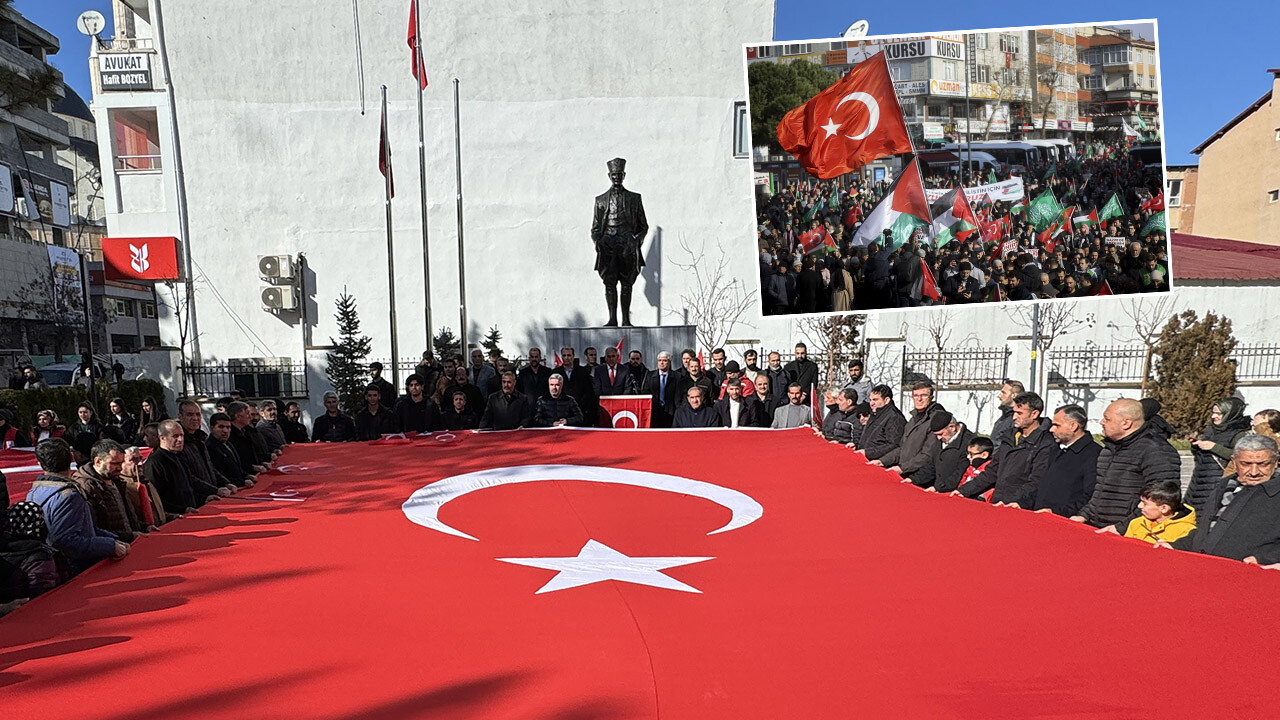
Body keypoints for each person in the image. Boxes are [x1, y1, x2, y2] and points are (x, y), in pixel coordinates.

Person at [1169, 434, 1280, 565]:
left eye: (1263, 464)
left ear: (1276, 461)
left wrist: (1265, 558)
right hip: (1210, 571)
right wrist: (1176, 546)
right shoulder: (1224, 486)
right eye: (1246, 464)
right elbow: (1208, 530)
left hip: (1251, 575)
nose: (1254, 472)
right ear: (1233, 461)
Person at [25, 438, 129, 575]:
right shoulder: (68, 496)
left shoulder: (34, 492)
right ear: (71, 457)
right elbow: (67, 541)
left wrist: (113, 539)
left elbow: (84, 527)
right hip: (75, 570)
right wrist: (111, 546)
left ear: (40, 464)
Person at [1073, 398, 1181, 528]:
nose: (1102, 422)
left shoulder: (1156, 450)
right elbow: (1101, 492)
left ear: (1126, 423)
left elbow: (1161, 500)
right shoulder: (1109, 449)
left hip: (1132, 532)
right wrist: (1084, 515)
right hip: (1100, 528)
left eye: (1107, 419)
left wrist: (1122, 528)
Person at [962, 392, 1056, 506]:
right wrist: (963, 491)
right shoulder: (1009, 437)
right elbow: (992, 471)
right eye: (1014, 412)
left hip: (1019, 507)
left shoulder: (1046, 443)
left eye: (1019, 413)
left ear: (1034, 414)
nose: (1014, 417)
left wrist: (1011, 502)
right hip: (998, 503)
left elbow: (1036, 482)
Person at [591, 156, 648, 327]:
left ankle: (625, 319)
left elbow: (643, 225)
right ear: (610, 176)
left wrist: (636, 240)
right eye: (614, 175)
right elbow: (595, 227)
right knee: (609, 282)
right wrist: (599, 242)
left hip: (627, 246)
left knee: (626, 283)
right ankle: (612, 318)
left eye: (619, 174)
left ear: (624, 175)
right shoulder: (600, 200)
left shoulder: (634, 198)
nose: (616, 177)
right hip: (608, 245)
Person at [1184, 397, 1252, 518]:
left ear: (1230, 414)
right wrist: (1197, 445)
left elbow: (1240, 457)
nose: (1213, 416)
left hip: (1218, 483)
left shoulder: (1240, 434)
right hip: (1198, 483)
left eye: (1219, 413)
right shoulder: (1211, 430)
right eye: (1213, 412)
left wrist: (1214, 447)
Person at [146, 419, 229, 516]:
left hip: (190, 512)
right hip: (175, 518)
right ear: (162, 438)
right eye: (175, 436)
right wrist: (182, 509)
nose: (180, 440)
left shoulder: (179, 456)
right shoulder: (154, 463)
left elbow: (190, 482)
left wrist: (205, 497)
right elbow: (155, 498)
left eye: (182, 435)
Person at [1030, 405, 1102, 517]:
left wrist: (1056, 512)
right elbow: (1042, 485)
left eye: (1056, 425)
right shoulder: (1056, 449)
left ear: (1073, 426)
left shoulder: (1094, 454)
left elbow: (1089, 495)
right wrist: (1021, 503)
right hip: (1041, 517)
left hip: (1063, 522)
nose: (1051, 429)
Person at [873, 381, 944, 488]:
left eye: (924, 395)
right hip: (905, 473)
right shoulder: (913, 419)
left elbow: (928, 455)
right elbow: (902, 448)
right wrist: (882, 461)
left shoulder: (936, 420)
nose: (919, 399)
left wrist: (902, 468)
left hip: (921, 478)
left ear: (931, 397)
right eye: (916, 396)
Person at [71, 440, 143, 542]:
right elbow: (94, 528)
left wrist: (143, 527)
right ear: (98, 461)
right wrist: (128, 536)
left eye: (121, 463)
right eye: (115, 463)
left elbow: (125, 515)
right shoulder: (86, 486)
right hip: (112, 548)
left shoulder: (116, 480)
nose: (120, 468)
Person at [1097, 479, 1196, 545]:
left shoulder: (1186, 531)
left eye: (1145, 503)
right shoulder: (1136, 523)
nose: (1139, 506)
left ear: (1164, 508)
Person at [856, 385, 906, 461]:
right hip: (867, 459)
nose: (871, 403)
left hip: (880, 462)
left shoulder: (894, 417)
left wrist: (868, 452)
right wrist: (856, 444)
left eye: (875, 400)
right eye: (871, 400)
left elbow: (894, 445)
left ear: (886, 400)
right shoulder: (875, 413)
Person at [929, 411, 974, 494]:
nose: (938, 438)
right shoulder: (943, 439)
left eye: (941, 434)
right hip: (939, 489)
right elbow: (931, 465)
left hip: (954, 492)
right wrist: (913, 479)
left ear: (952, 427)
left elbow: (961, 472)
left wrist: (939, 487)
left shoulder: (969, 443)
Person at [207, 413, 255, 488]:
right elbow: (219, 475)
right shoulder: (210, 447)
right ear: (212, 428)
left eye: (228, 427)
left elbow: (236, 467)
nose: (225, 431)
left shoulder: (228, 443)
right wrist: (241, 482)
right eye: (221, 427)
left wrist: (247, 475)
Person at [226, 402, 270, 475]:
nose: (249, 416)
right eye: (247, 413)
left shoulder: (246, 431)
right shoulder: (230, 435)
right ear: (238, 416)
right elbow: (236, 461)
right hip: (244, 476)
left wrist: (261, 461)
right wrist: (252, 467)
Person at [644, 351, 680, 428]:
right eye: (659, 360)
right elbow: (645, 392)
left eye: (664, 360)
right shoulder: (650, 375)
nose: (661, 363)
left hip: (671, 412)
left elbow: (678, 395)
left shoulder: (677, 376)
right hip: (654, 412)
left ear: (669, 362)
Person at [990, 379, 1024, 450]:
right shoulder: (1004, 417)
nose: (999, 396)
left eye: (1003, 393)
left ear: (1014, 395)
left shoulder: (1016, 418)